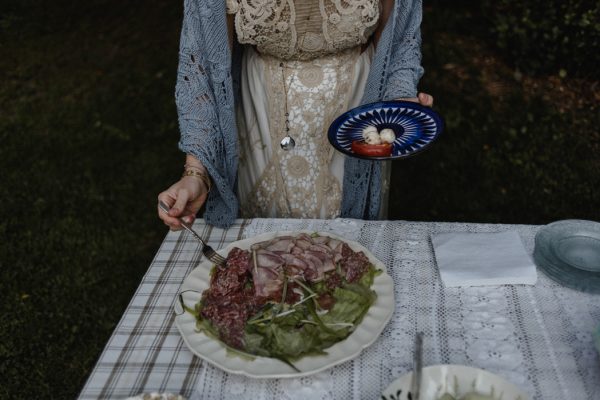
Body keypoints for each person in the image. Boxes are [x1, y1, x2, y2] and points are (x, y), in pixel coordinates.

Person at [158, 0, 433, 230]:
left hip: (357, 109)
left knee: (350, 259)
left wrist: (399, 100)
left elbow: (399, 39)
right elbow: (202, 64)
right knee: (264, 259)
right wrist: (195, 173)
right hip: (261, 111)